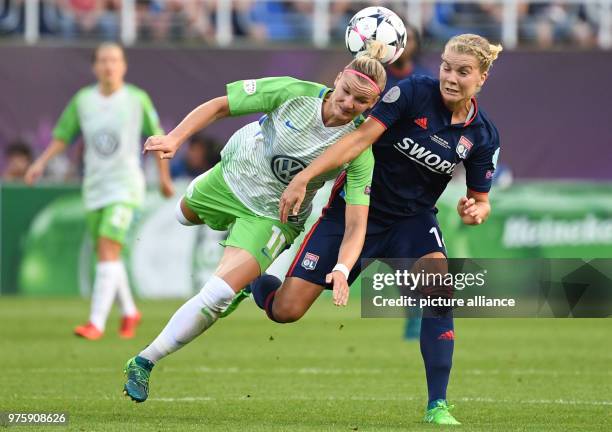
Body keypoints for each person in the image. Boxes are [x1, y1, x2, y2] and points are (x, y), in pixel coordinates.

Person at [245, 34, 502, 425]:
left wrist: (475, 210)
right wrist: (306, 178)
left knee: (438, 292)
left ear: (481, 77)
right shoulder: (414, 92)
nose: (451, 77)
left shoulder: (482, 136)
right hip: (354, 211)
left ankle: (437, 405)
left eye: (463, 71)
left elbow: (480, 200)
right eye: (447, 66)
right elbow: (359, 139)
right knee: (287, 311)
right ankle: (253, 283)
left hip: (412, 221)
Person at [122, 44, 387, 403]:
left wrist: (342, 267)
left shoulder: (358, 149)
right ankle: (230, 240)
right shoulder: (292, 92)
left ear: (372, 105)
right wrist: (175, 138)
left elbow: (357, 224)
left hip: (273, 216)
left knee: (217, 295)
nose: (348, 103)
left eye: (360, 101)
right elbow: (220, 106)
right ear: (337, 79)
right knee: (182, 216)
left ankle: (144, 361)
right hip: (230, 177)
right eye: (346, 92)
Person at [24, 42, 174, 340]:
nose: (109, 66)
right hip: (94, 187)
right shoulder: (83, 101)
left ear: (124, 66)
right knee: (107, 253)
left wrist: (164, 178)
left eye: (114, 60)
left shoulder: (136, 99)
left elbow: (158, 138)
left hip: (126, 186)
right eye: (103, 60)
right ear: (94, 67)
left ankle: (96, 322)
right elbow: (62, 136)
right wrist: (39, 163)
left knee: (107, 247)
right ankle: (129, 310)